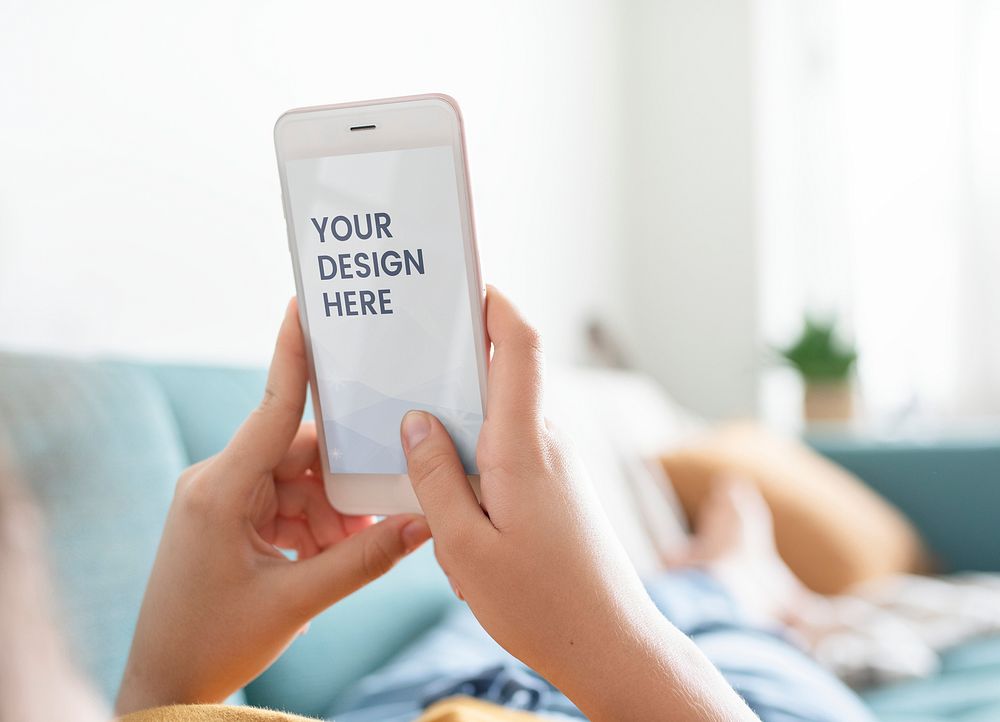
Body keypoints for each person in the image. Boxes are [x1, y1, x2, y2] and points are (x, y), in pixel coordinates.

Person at [2, 287, 873, 721]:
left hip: (413, 692)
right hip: (675, 694)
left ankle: (706, 577)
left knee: (485, 624)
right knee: (715, 626)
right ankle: (732, 578)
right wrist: (619, 644)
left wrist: (165, 691)